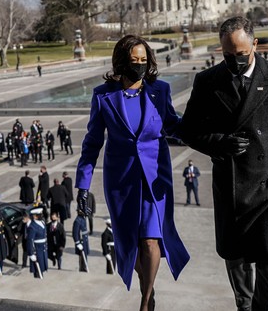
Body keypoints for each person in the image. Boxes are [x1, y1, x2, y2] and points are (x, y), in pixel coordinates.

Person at [179, 16, 268, 311]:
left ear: (254, 44)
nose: (234, 61)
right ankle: (244, 306)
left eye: (241, 54)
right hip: (232, 182)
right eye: (227, 55)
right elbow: (188, 131)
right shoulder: (207, 81)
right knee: (236, 257)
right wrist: (218, 143)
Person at [75, 34, 189, 311]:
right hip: (120, 181)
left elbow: (173, 126)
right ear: (121, 62)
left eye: (143, 61)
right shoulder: (103, 96)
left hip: (154, 177)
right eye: (133, 61)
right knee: (131, 246)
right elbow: (92, 142)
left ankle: (145, 301)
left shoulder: (159, 91)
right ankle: (146, 285)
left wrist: (205, 130)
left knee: (151, 241)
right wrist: (83, 184)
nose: (139, 66)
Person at [27, 206, 48, 278]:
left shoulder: (42, 222)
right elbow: (30, 240)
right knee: (37, 271)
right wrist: (31, 253)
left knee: (42, 269)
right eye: (39, 215)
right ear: (34, 216)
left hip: (43, 249)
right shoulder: (32, 227)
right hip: (37, 250)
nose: (41, 216)